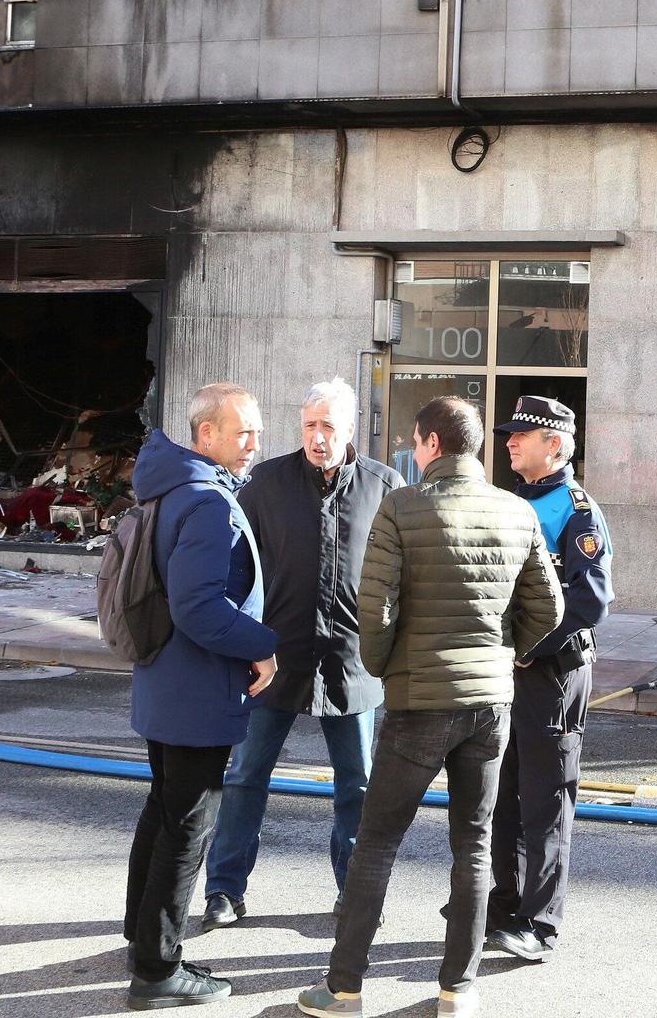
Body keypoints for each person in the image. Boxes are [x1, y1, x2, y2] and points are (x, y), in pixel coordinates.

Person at [296, 396, 563, 1018]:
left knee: (378, 842)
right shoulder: (516, 511)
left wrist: (387, 665)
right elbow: (547, 609)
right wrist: (503, 652)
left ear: (432, 446)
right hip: (489, 703)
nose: (413, 455)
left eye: (416, 444)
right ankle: (456, 990)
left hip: (419, 700)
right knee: (472, 845)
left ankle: (343, 989)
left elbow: (375, 607)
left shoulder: (402, 506)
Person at [200, 378, 403, 930]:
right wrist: (238, 640)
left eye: (328, 427)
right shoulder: (264, 484)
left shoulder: (385, 488)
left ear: (351, 429)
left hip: (354, 663)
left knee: (357, 785)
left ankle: (354, 893)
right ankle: (224, 889)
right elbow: (234, 570)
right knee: (245, 776)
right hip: (272, 659)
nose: (317, 437)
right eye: (310, 425)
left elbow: (402, 579)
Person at [121, 382, 280, 1010]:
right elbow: (197, 606)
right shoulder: (207, 503)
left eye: (257, 432)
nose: (253, 444)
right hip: (197, 690)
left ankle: (141, 938)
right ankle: (158, 970)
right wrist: (262, 643)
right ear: (205, 435)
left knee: (163, 812)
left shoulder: (169, 489)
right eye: (242, 432)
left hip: (166, 683)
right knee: (188, 828)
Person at [486, 396, 613, 963]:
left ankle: (539, 924)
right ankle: (506, 905)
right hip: (510, 669)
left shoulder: (577, 510)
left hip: (551, 672)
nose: (509, 442)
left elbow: (589, 601)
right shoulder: (514, 499)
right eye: (509, 434)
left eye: (521, 435)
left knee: (546, 798)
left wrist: (528, 650)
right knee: (503, 794)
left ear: (554, 445)